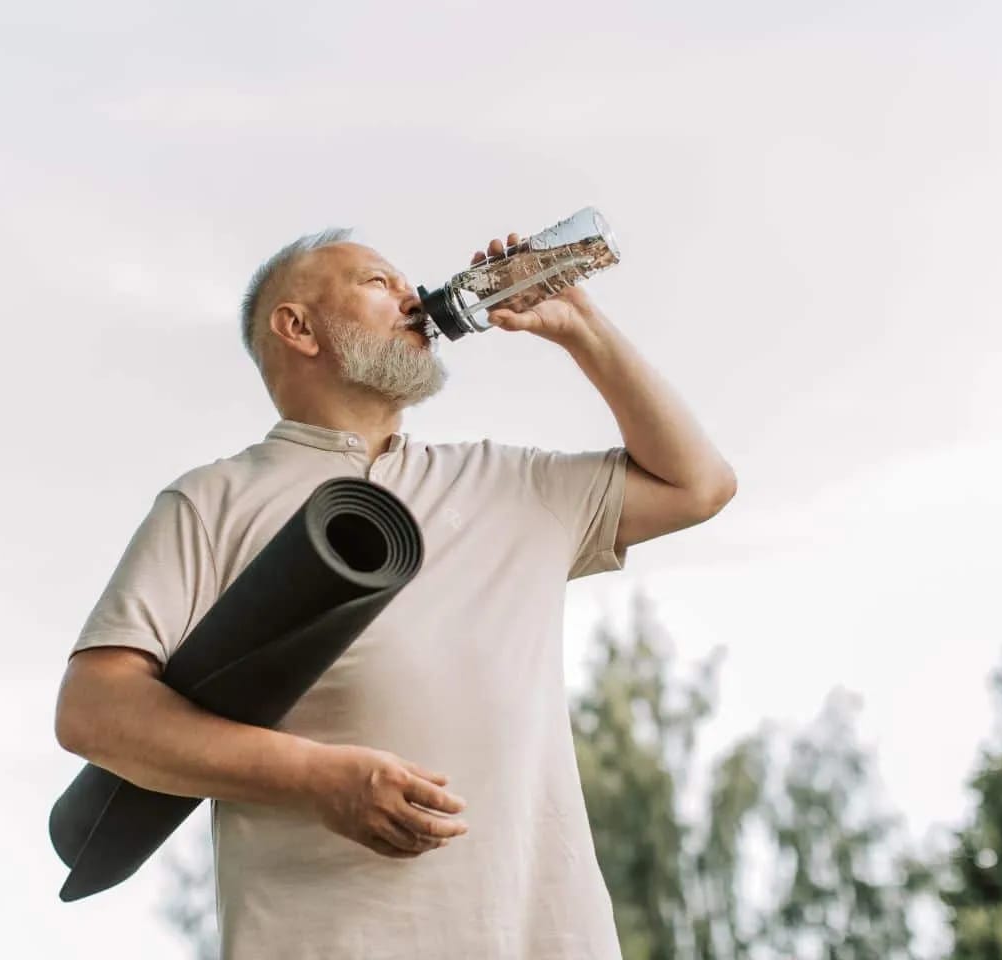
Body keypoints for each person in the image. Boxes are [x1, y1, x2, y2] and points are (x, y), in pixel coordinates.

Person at [54, 226, 737, 959]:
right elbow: (94, 711)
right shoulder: (212, 501)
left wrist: (582, 328)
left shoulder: (513, 484)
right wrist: (317, 777)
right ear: (298, 326)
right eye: (378, 282)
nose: (413, 295)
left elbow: (697, 485)